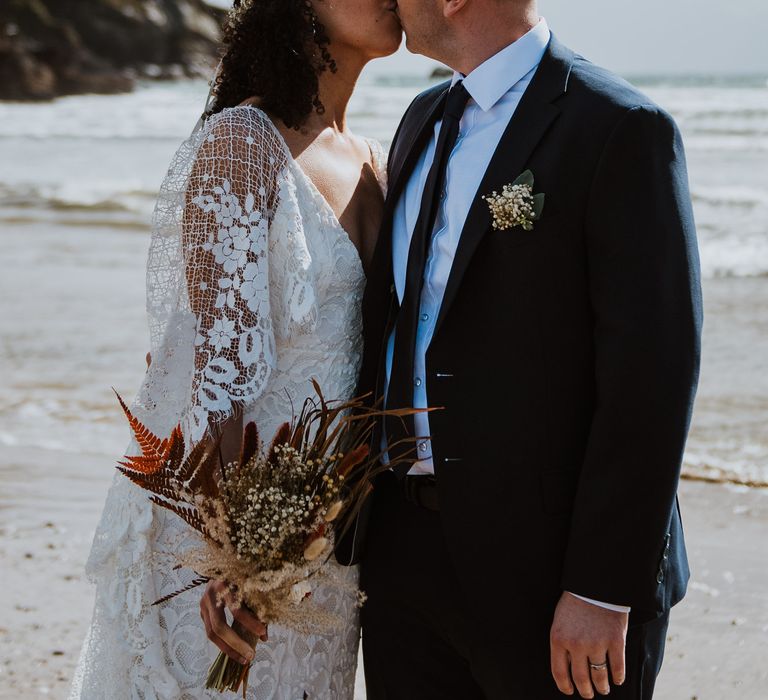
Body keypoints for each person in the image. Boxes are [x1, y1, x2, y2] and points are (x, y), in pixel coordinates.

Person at [347, 1, 703, 698]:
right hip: (404, 563)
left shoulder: (619, 128)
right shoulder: (421, 119)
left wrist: (601, 588)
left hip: (552, 574)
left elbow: (653, 375)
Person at [70, 1, 401, 698]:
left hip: (325, 535)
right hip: (231, 533)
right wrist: (239, 558)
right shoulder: (243, 145)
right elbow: (219, 374)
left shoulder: (376, 159)